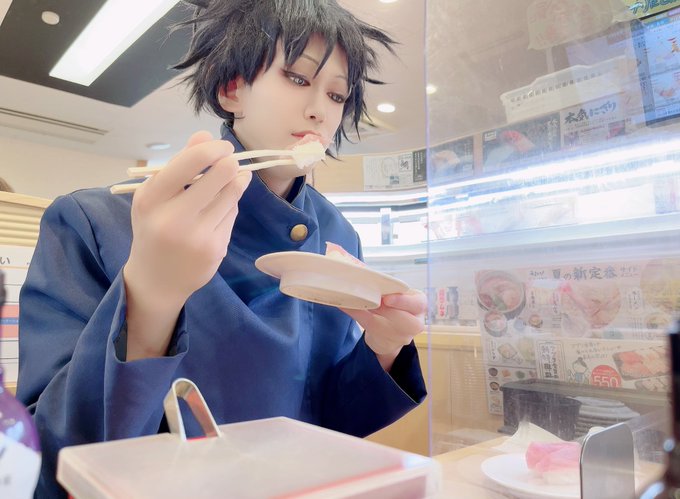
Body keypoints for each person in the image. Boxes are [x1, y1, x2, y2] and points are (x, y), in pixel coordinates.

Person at [16, 1, 427, 497]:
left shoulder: (338, 231)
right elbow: (51, 460)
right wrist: (150, 295)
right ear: (232, 89)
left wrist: (383, 348)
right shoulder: (93, 220)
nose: (321, 110)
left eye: (337, 94)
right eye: (298, 78)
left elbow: (328, 422)